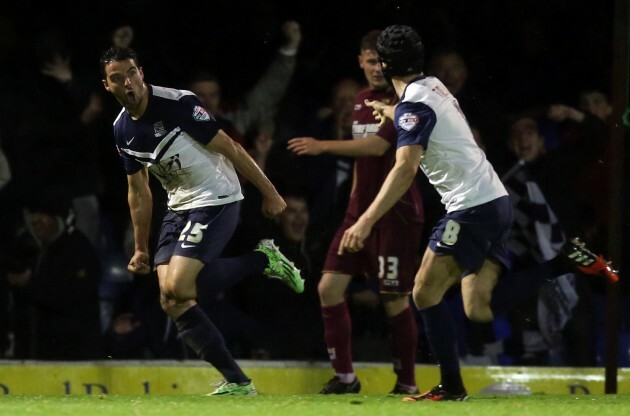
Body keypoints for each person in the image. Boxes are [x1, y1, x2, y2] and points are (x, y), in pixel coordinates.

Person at [341, 25, 618, 401]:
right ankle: (563, 262)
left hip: (471, 207)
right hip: (495, 201)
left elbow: (404, 168)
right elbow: (424, 118)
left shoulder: (413, 105)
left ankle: (451, 387)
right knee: (478, 308)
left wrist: (365, 219)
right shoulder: (432, 87)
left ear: (386, 64)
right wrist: (391, 111)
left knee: (423, 293)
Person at [100, 46, 304, 396]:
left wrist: (270, 193)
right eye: (118, 78)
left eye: (132, 72)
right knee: (170, 298)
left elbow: (232, 148)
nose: (128, 82)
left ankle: (262, 259)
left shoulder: (177, 104)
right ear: (108, 86)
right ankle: (238, 383)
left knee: (179, 287)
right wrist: (139, 248)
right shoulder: (122, 130)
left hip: (216, 198)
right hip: (178, 207)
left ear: (142, 72)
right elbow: (139, 192)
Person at [288, 30, 424, 395]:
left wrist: (322, 146)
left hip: (395, 213)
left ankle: (407, 383)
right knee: (329, 288)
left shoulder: (405, 100)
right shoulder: (363, 99)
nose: (376, 68)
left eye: (382, 61)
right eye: (370, 60)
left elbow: (378, 148)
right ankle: (346, 378)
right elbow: (364, 166)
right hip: (358, 212)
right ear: (360, 62)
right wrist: (352, 208)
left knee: (394, 299)